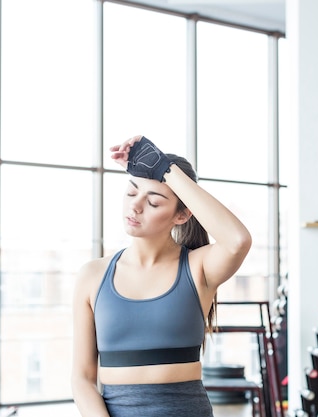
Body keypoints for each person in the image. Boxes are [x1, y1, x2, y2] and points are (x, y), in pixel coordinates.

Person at [71, 135, 252, 416]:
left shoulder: (197, 268)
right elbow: (82, 378)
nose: (136, 206)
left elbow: (238, 240)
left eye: (153, 202)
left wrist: (165, 169)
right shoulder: (92, 275)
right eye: (132, 193)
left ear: (181, 215)